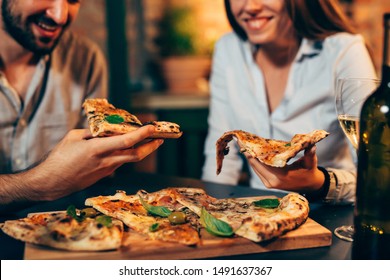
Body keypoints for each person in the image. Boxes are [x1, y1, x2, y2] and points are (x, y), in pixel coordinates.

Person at [201, 0, 377, 204]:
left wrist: (319, 182)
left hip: (329, 215)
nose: (250, 7)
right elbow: (221, 158)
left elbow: (376, 174)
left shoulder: (345, 51)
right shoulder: (228, 48)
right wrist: (211, 212)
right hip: (256, 212)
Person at [0, 0, 163, 209]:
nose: (60, 16)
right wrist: (35, 184)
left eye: (73, 0)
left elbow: (96, 173)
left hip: (67, 231)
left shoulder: (86, 59)